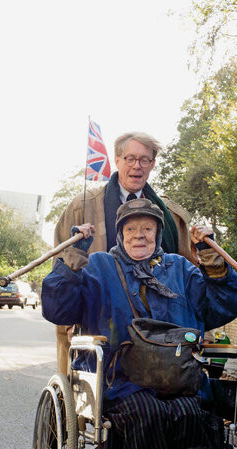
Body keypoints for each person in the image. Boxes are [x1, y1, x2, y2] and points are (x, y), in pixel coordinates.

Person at [42, 199, 237, 449]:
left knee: (190, 415)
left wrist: (213, 261)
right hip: (118, 381)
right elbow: (58, 310)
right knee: (145, 413)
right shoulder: (98, 267)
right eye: (131, 229)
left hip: (178, 380)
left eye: (147, 228)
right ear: (120, 234)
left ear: (158, 234)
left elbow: (222, 306)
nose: (139, 235)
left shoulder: (180, 269)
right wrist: (72, 260)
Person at [53, 131, 195, 374]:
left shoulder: (172, 216)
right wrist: (69, 320)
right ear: (117, 160)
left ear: (153, 164)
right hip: (96, 321)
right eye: (130, 159)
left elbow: (191, 275)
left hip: (159, 328)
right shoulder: (83, 206)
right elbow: (62, 266)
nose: (136, 166)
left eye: (144, 160)